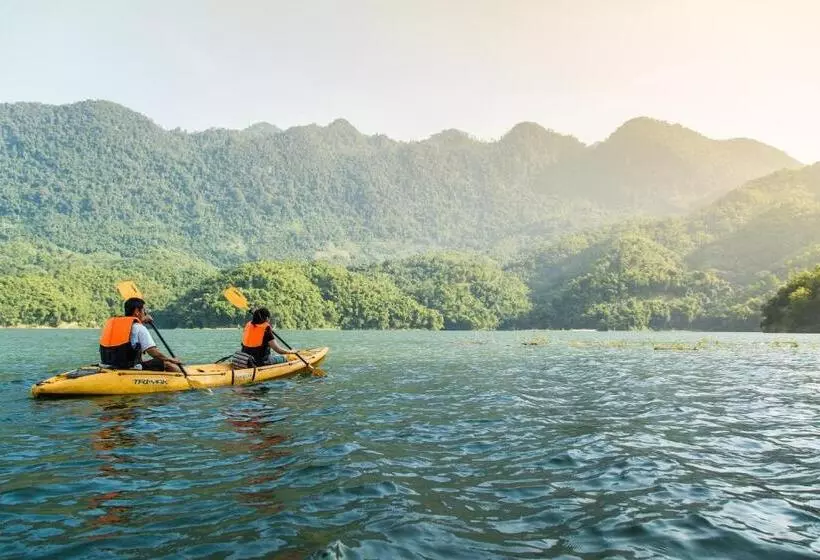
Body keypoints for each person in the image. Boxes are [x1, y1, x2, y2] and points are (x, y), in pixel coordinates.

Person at [99, 297, 182, 372]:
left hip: (108, 364)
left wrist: (141, 320)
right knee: (165, 362)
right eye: (144, 311)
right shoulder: (139, 328)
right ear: (137, 311)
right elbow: (153, 352)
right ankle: (182, 377)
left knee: (144, 360)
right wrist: (171, 360)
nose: (145, 313)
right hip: (128, 367)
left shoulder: (114, 325)